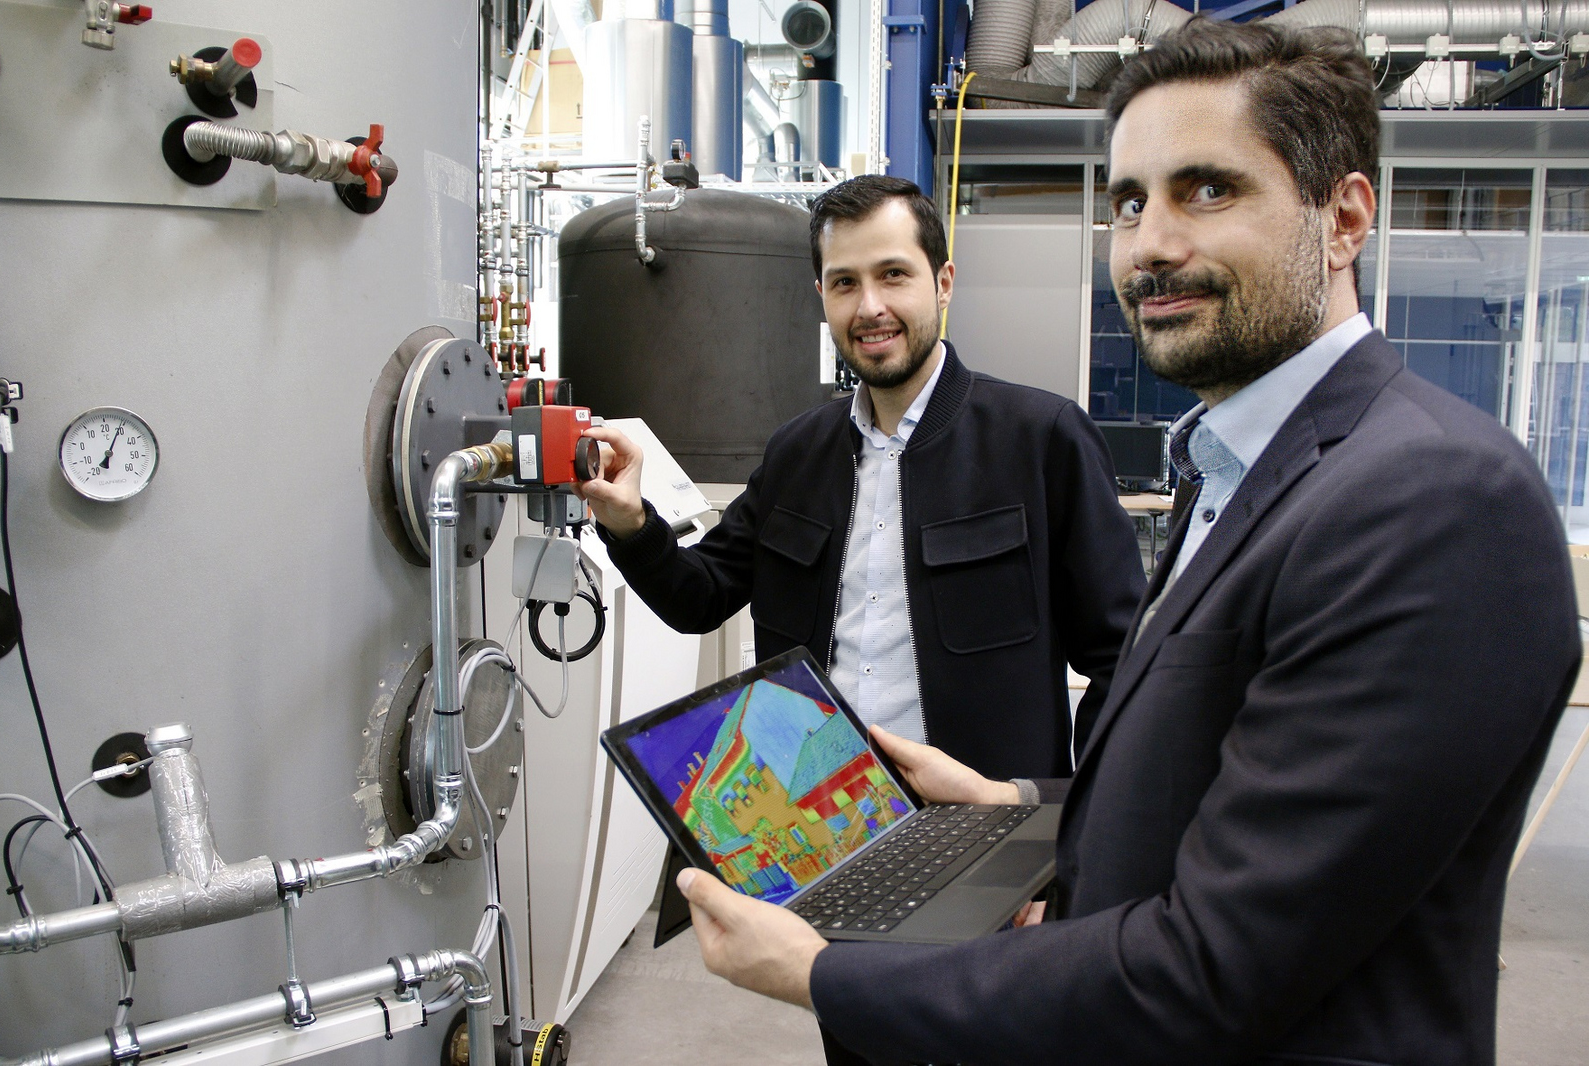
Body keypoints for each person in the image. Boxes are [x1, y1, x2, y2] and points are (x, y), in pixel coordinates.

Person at [665, 19, 1583, 1066]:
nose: (1150, 244)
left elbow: (1212, 965)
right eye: (1130, 202)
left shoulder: (1428, 499)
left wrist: (816, 970)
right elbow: (1222, 789)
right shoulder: (1233, 473)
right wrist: (1023, 810)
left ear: (1344, 218)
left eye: (1208, 190)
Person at [579, 176, 1144, 795]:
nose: (870, 306)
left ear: (943, 283)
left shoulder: (1042, 440)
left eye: (894, 274)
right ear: (821, 294)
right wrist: (630, 523)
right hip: (810, 823)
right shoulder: (797, 454)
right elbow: (700, 598)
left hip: (979, 827)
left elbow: (1125, 663)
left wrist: (1056, 828)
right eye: (845, 282)